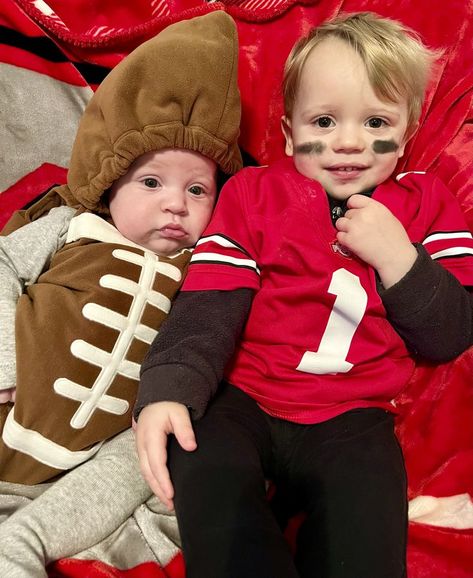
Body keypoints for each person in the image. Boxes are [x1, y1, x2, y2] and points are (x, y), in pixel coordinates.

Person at [134, 11, 473, 578]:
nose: (348, 142)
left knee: (365, 535)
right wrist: (169, 389)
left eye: (375, 122)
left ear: (407, 130)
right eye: (323, 121)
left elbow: (451, 333)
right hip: (242, 400)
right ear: (289, 133)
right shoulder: (254, 193)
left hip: (355, 418)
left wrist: (399, 258)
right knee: (207, 479)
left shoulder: (427, 203)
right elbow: (209, 302)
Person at [0, 10, 241, 577]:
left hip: (97, 459)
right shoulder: (71, 224)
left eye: (198, 189)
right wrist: (5, 361)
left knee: (153, 451)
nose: (176, 204)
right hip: (12, 405)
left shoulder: (200, 268)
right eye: (152, 182)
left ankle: (25, 542)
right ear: (110, 187)